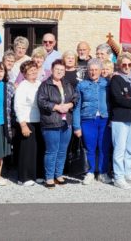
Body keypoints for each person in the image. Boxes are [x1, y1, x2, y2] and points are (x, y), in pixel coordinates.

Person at [37, 59, 76, 188]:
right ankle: (49, 177)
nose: (59, 72)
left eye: (62, 70)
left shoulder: (67, 84)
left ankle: (58, 175)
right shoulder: (45, 85)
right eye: (57, 69)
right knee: (51, 151)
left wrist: (70, 104)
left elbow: (76, 97)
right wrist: (56, 107)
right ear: (52, 70)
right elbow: (41, 102)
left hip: (66, 123)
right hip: (51, 122)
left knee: (62, 151)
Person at [73, 58, 112, 185]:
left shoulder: (107, 83)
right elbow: (77, 106)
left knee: (103, 147)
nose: (93, 72)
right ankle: (89, 172)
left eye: (96, 70)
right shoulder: (81, 85)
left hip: (104, 119)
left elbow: (111, 103)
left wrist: (112, 119)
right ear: (87, 71)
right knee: (89, 147)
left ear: (101, 71)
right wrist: (76, 126)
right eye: (91, 70)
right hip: (87, 119)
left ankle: (102, 172)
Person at [109, 52, 131, 189]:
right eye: (124, 64)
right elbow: (118, 98)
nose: (127, 66)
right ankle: (118, 176)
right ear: (119, 65)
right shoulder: (116, 79)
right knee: (119, 147)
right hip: (121, 116)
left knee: (130, 147)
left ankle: (128, 172)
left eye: (129, 64)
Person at [14, 60, 44, 186]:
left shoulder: (39, 83)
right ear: (24, 74)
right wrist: (23, 124)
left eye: (34, 69)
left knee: (38, 149)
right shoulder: (23, 85)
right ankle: (24, 177)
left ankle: (37, 174)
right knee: (27, 151)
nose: (33, 71)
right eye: (29, 70)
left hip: (39, 121)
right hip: (27, 121)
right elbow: (18, 106)